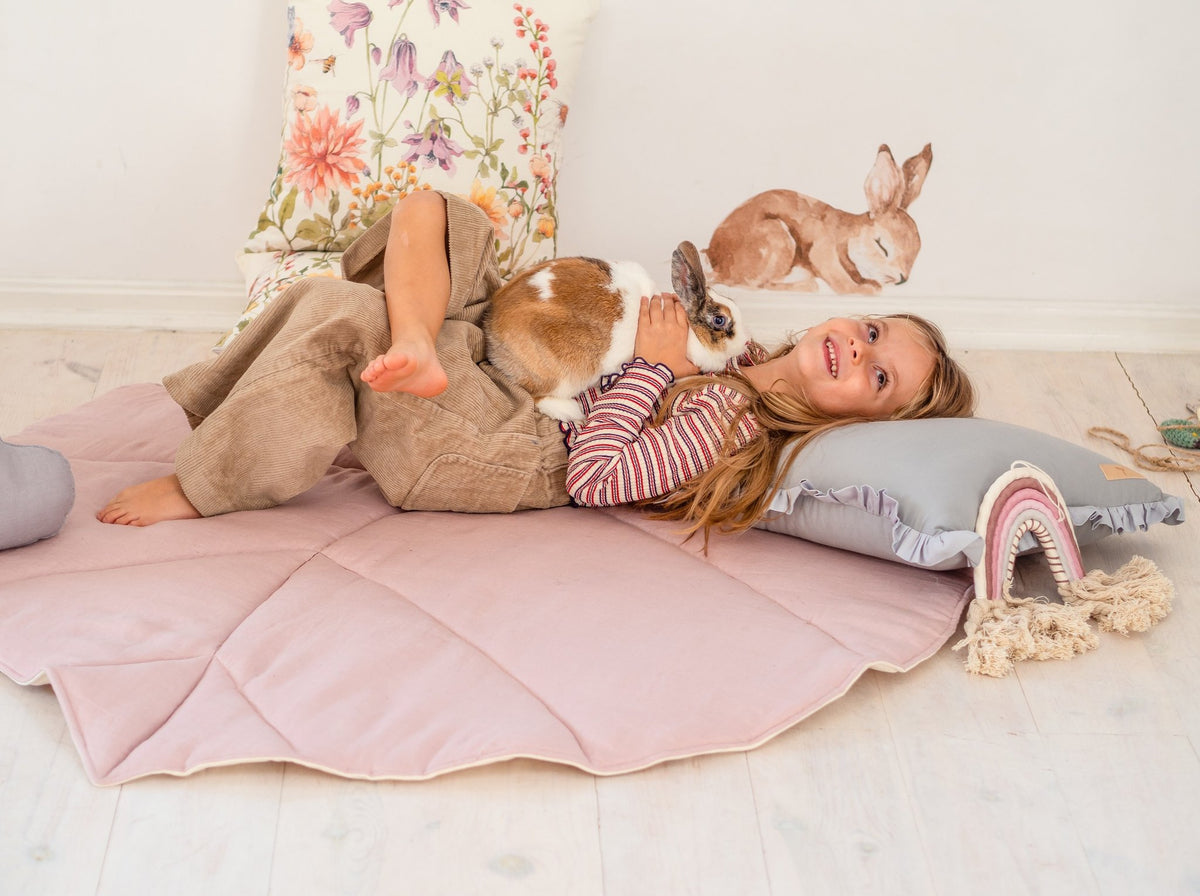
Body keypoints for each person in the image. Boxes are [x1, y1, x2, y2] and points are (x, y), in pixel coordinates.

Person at [97, 190, 975, 541]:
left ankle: (213, 481)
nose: (855, 350)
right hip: (506, 371)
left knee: (339, 316)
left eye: (879, 375)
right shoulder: (743, 356)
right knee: (439, 212)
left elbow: (596, 478)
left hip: (509, 444)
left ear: (863, 420)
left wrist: (658, 371)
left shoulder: (728, 426)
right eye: (869, 330)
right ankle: (415, 339)